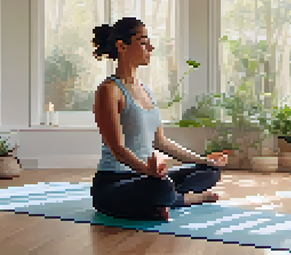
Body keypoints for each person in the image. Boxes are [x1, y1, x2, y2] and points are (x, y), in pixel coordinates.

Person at [91, 17, 228, 221]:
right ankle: (187, 199)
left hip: (149, 178)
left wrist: (206, 160)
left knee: (210, 172)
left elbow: (160, 142)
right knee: (161, 187)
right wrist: (148, 171)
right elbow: (118, 150)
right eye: (144, 42)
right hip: (115, 182)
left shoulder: (146, 90)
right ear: (122, 46)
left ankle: (163, 202)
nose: (151, 47)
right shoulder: (109, 91)